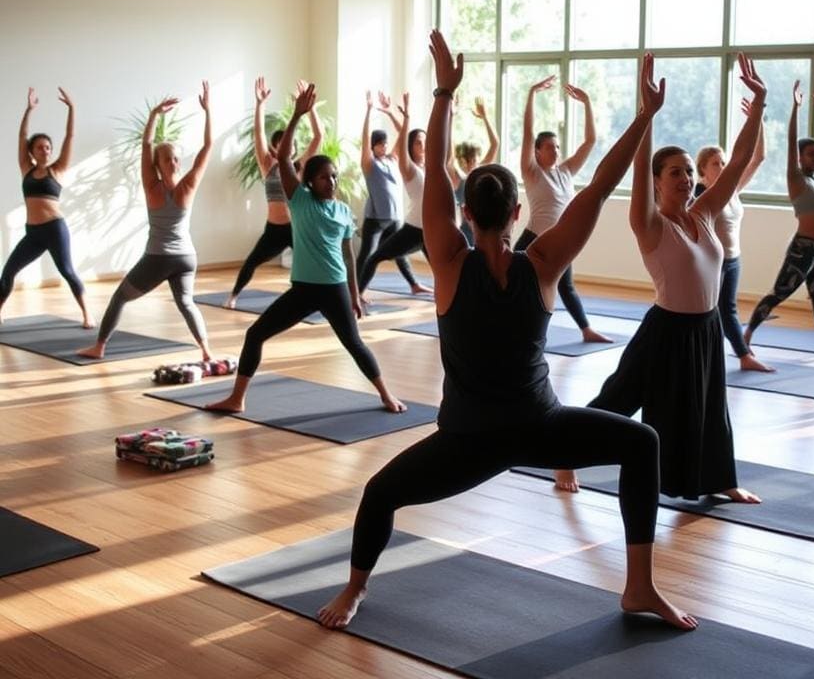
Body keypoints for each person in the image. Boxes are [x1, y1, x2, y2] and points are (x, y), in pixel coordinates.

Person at [317, 31, 697, 633]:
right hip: (541, 430)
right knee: (641, 441)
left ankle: (354, 590)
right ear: (519, 213)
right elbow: (599, 186)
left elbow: (438, 170)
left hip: (467, 440)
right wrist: (646, 116)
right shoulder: (543, 265)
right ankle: (639, 586)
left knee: (379, 493)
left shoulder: (445, 260)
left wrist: (444, 93)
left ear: (468, 214)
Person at [556, 54, 766, 502]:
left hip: (705, 328)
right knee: (618, 399)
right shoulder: (650, 224)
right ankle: (565, 453)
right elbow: (636, 171)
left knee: (711, 407)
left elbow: (741, 160)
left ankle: (720, 480)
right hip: (666, 331)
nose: (687, 179)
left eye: (690, 171)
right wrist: (647, 114)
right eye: (676, 173)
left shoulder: (705, 214)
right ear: (656, 181)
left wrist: (760, 107)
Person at [205, 85, 406, 415]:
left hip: (335, 289)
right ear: (310, 181)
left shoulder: (343, 211)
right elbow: (283, 158)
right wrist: (298, 114)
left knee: (354, 343)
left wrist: (355, 294)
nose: (333, 182)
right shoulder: (299, 201)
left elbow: (348, 256)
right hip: (303, 290)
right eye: (326, 177)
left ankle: (385, 394)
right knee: (255, 334)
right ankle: (236, 399)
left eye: (335, 177)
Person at [78, 85, 213, 360]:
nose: (174, 162)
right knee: (186, 303)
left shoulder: (152, 187)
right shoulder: (188, 186)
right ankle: (207, 352)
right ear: (159, 164)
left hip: (158, 258)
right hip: (186, 257)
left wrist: (154, 116)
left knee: (120, 298)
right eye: (169, 159)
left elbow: (147, 146)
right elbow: (206, 146)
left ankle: (99, 347)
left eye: (176, 157)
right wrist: (207, 112)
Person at [743, 83, 814, 357]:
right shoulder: (797, 179)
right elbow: (791, 138)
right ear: (800, 157)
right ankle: (746, 337)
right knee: (779, 294)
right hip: (804, 247)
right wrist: (795, 108)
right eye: (812, 154)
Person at [514, 76, 610, 343]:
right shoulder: (532, 172)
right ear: (537, 151)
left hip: (559, 241)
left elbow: (590, 141)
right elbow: (527, 131)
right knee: (514, 280)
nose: (555, 151)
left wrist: (588, 103)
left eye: (557, 147)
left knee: (566, 286)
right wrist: (532, 93)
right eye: (549, 147)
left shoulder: (566, 171)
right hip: (533, 240)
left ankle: (586, 330)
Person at [225, 77, 322, 309]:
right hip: (273, 229)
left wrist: (311, 110)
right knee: (251, 262)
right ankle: (234, 296)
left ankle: (317, 299)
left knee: (311, 263)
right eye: (282, 144)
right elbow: (257, 137)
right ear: (276, 148)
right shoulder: (268, 166)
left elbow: (318, 137)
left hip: (295, 227)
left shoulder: (299, 167)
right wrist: (260, 105)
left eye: (292, 145)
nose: (290, 147)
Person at [1, 87, 92, 327]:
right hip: (33, 234)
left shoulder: (58, 170)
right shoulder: (26, 169)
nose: (45, 150)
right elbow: (21, 137)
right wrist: (28, 110)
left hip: (54, 229)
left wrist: (72, 109)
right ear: (32, 151)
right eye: (40, 147)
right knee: (8, 272)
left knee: (67, 271)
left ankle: (87, 314)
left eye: (48, 147)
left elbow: (69, 136)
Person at [693, 98, 773, 373]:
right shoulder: (700, 195)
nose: (723, 166)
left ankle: (737, 353)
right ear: (702, 169)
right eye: (716, 163)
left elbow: (758, 157)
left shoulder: (731, 188)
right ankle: (743, 355)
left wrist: (757, 118)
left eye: (724, 161)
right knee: (722, 311)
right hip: (713, 262)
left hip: (733, 259)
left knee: (725, 309)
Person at [356, 91, 431, 296]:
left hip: (395, 217)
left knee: (401, 256)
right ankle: (356, 293)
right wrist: (369, 112)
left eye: (385, 143)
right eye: (379, 143)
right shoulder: (370, 164)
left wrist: (391, 113)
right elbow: (365, 141)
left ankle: (414, 284)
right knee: (367, 256)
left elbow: (403, 136)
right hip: (376, 219)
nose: (384, 146)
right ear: (373, 146)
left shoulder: (393, 160)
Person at [452, 96, 499, 245]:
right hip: (465, 230)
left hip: (484, 228)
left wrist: (485, 118)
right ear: (463, 160)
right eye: (470, 158)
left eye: (476, 157)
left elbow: (495, 144)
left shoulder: (481, 171)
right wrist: (452, 116)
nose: (474, 161)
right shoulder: (459, 175)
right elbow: (449, 150)